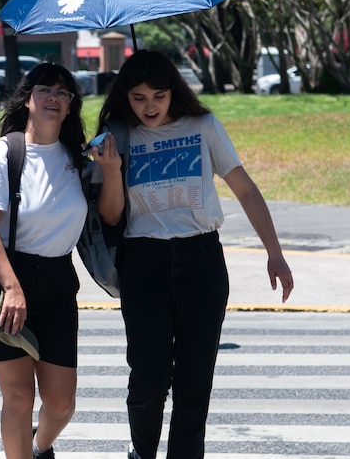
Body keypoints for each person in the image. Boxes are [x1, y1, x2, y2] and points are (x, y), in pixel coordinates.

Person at [89, 50, 295, 459]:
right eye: (139, 97)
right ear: (125, 97)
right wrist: (111, 170)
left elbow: (247, 190)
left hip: (201, 261)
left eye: (159, 96)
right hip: (143, 263)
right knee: (148, 377)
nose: (149, 106)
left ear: (174, 92)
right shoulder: (116, 137)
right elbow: (110, 216)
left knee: (194, 382)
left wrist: (275, 253)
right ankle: (141, 451)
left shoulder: (203, 127)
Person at [0, 62, 89, 459]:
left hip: (57, 282)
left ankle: (38, 447)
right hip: (6, 282)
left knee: (61, 404)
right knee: (18, 396)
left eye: (63, 93)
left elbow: (106, 215)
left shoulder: (78, 159)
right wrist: (12, 287)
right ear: (28, 99)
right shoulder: (4, 153)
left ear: (71, 106)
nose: (54, 98)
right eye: (45, 91)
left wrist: (111, 169)